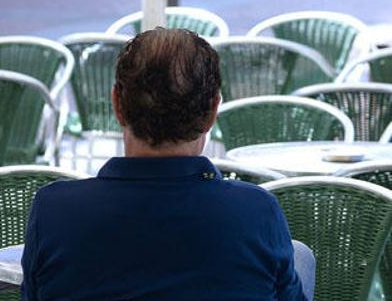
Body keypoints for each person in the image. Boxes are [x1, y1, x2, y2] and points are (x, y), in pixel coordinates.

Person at [20, 29, 310, 300]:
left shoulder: (54, 210)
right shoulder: (256, 211)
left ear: (117, 105)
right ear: (212, 112)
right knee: (301, 259)